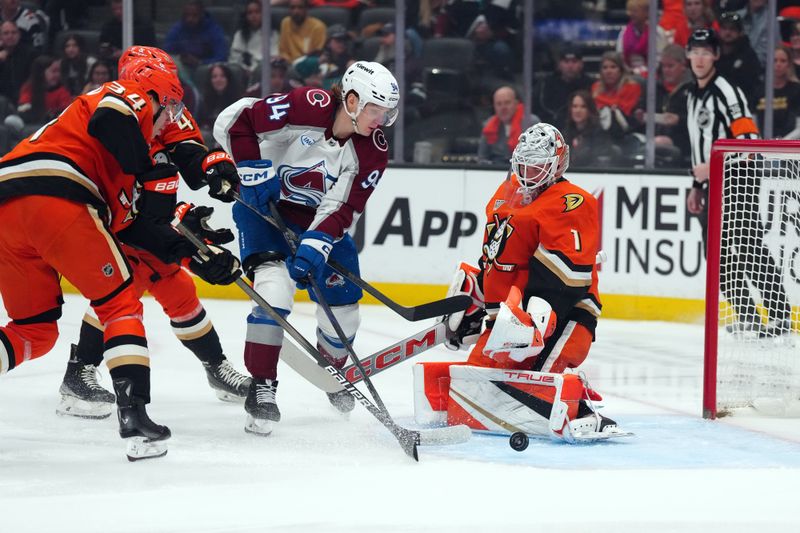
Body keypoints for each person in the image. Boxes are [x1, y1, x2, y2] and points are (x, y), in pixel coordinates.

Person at [0, 58, 241, 460]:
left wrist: (197, 253)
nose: (171, 122)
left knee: (34, 332)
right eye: (172, 110)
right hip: (59, 193)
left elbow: (138, 230)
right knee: (120, 304)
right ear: (158, 95)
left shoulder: (120, 160)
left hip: (7, 204)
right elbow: (111, 120)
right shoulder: (126, 97)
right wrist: (146, 170)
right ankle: (135, 419)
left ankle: (103, 382)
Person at [56, 46, 251, 420]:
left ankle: (216, 368)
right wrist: (178, 228)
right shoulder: (113, 116)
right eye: (168, 100)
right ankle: (78, 373)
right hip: (119, 220)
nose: (174, 113)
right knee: (121, 293)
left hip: (148, 220)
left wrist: (214, 167)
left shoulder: (165, 108)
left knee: (179, 291)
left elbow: (189, 157)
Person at [213, 60, 400, 435]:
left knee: (346, 309)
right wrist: (253, 171)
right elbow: (236, 122)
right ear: (350, 99)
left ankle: (333, 372)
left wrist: (317, 242)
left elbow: (344, 206)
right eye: (374, 108)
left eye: (385, 111)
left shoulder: (373, 150)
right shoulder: (307, 106)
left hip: (315, 219)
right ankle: (262, 388)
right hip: (263, 208)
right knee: (274, 291)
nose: (380, 119)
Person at [415, 123, 622, 440]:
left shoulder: (572, 201)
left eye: (538, 163)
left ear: (557, 163)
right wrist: (483, 304)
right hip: (512, 316)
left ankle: (579, 405)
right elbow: (497, 256)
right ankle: (482, 306)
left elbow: (571, 277)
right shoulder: (507, 193)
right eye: (524, 161)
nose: (529, 170)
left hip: (560, 316)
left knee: (527, 389)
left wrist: (524, 319)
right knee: (477, 382)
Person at [684, 28, 792, 335]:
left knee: (746, 246)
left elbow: (748, 142)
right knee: (715, 254)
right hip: (711, 182)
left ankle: (780, 315)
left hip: (738, 177)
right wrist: (697, 184)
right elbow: (698, 145)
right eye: (696, 51)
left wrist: (713, 165)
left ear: (716, 55)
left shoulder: (726, 90)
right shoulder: (692, 93)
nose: (700, 58)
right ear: (688, 55)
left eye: (707, 52)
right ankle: (747, 314)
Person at [532, 44, 594, 132]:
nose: (570, 66)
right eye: (566, 61)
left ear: (581, 64)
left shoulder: (590, 85)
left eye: (574, 61)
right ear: (559, 64)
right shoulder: (545, 84)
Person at [478, 85, 538, 165]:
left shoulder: (531, 123)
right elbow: (482, 158)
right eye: (499, 104)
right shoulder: (488, 125)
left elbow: (540, 156)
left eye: (507, 103)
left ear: (516, 103)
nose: (503, 108)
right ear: (494, 106)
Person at [164, 0, 229, 72]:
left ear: (202, 15)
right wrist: (180, 58)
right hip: (183, 68)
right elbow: (166, 53)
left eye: (194, 15)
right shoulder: (178, 29)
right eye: (187, 15)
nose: (190, 19)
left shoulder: (213, 29)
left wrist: (200, 62)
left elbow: (222, 57)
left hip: (206, 70)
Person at [591, 51, 642, 139]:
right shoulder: (596, 87)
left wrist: (602, 102)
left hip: (626, 132)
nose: (608, 71)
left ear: (621, 70)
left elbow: (625, 111)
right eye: (605, 68)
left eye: (613, 67)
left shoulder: (632, 87)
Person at [753, 45, 800, 139]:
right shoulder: (759, 90)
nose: (778, 64)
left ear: (789, 64)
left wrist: (782, 142)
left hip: (790, 144)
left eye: (783, 61)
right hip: (763, 145)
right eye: (775, 60)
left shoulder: (797, 90)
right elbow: (753, 122)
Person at [716, 11, 761, 105]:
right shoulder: (713, 52)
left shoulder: (748, 55)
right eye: (724, 28)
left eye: (732, 29)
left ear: (740, 32)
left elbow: (752, 86)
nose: (728, 32)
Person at [563, 90, 617, 168]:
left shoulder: (599, 134)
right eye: (575, 106)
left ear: (590, 110)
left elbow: (597, 162)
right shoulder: (566, 133)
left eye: (583, 107)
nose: (578, 110)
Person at [229, 0, 278, 85]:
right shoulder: (240, 35)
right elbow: (235, 57)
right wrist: (245, 68)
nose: (254, 16)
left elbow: (274, 56)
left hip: (263, 69)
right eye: (250, 13)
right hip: (243, 70)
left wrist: (255, 69)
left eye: (257, 12)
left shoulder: (273, 34)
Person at [17, 55, 73, 127]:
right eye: (54, 71)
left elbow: (66, 114)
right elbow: (23, 109)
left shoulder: (62, 91)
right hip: (30, 124)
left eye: (58, 71)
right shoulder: (29, 88)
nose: (57, 75)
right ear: (41, 73)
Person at [197, 62, 241, 129]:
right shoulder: (204, 100)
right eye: (214, 77)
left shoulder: (238, 101)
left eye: (222, 76)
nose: (218, 80)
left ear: (228, 79)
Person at [0, 20, 35, 104]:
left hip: (25, 98)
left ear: (19, 35)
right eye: (6, 33)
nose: (10, 36)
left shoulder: (30, 54)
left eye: (13, 33)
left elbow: (33, 79)